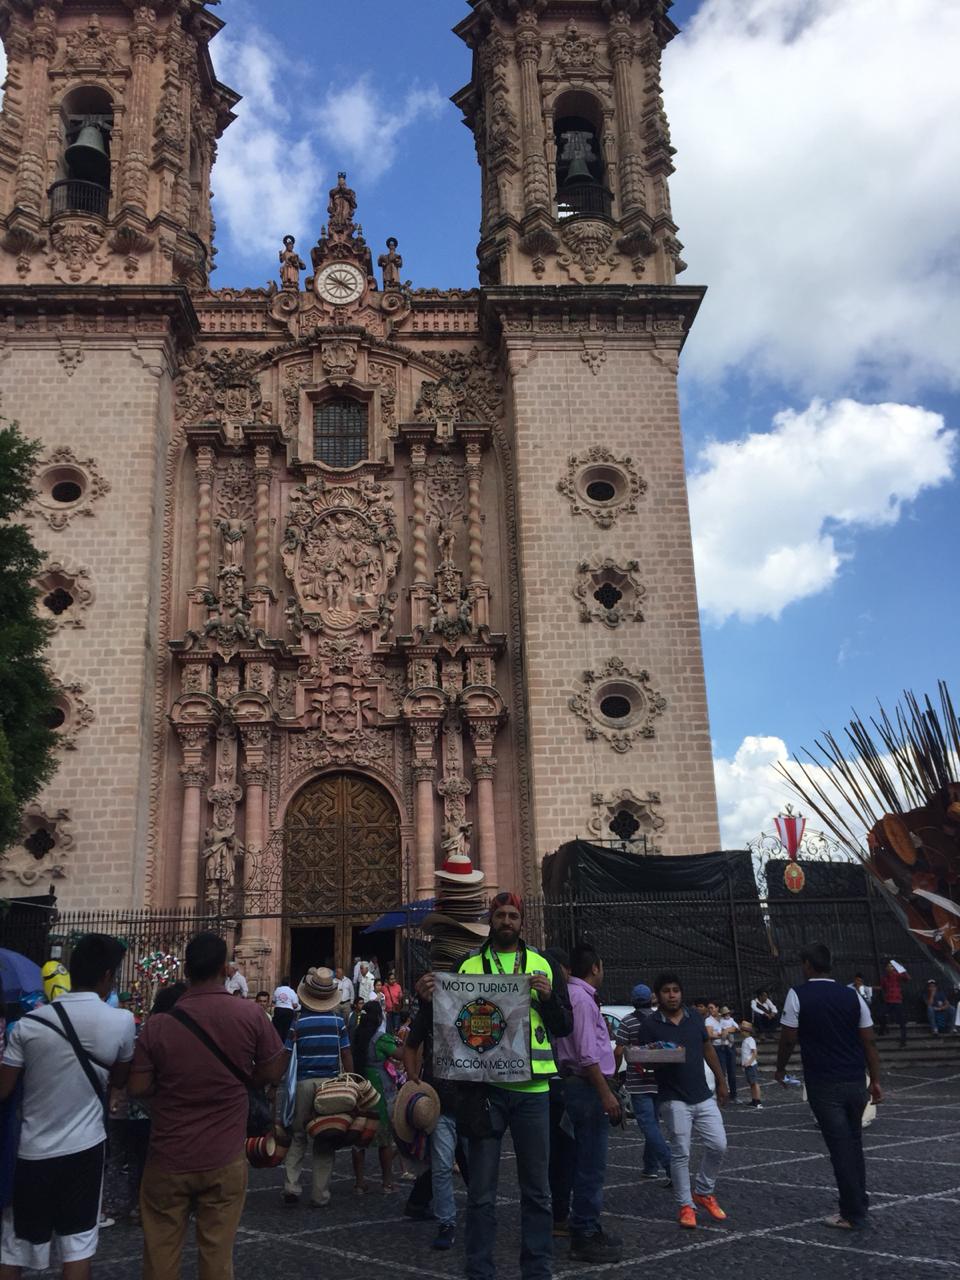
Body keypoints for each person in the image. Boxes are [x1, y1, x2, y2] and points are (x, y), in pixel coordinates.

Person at [130, 934, 285, 1277]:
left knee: (159, 1256)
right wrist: (246, 1080)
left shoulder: (158, 1025)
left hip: (168, 1156)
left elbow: (137, 1086)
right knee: (217, 1256)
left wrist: (170, 1090)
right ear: (226, 969)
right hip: (223, 1156)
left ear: (185, 970)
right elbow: (274, 1070)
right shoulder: (250, 1013)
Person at [0, 934, 135, 1279]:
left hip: (31, 1151)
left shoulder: (28, 1025)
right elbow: (120, 1078)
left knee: (14, 1247)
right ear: (108, 975)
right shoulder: (121, 1021)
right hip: (85, 1149)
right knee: (78, 1246)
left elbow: (3, 1089)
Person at [455, 891, 572, 1280]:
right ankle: (479, 1270)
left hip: (533, 1091)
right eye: (500, 915)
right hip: (485, 1091)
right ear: (491, 919)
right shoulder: (468, 965)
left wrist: (548, 998)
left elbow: (564, 1026)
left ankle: (537, 1270)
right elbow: (450, 1023)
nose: (507, 921)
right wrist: (427, 1000)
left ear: (522, 922)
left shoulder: (543, 964)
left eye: (513, 916)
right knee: (480, 1193)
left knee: (537, 1191)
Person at [776, 942, 882, 1231]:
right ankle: (859, 1202)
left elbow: (788, 1038)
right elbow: (869, 1041)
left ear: (807, 965)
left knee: (840, 1148)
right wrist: (875, 1080)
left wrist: (780, 1068)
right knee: (854, 1143)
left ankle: (852, 1213)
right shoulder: (852, 995)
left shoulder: (797, 994)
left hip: (823, 1081)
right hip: (855, 1079)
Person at [633, 972, 728, 1229]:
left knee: (718, 1144)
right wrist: (658, 1058)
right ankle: (686, 1205)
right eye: (666, 991)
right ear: (657, 996)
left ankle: (704, 1191)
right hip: (672, 1096)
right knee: (681, 1152)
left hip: (702, 1093)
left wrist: (722, 1081)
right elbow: (642, 1059)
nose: (672, 995)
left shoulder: (694, 1017)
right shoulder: (650, 1025)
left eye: (675, 990)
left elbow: (707, 1048)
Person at [552, 942, 623, 1265]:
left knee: (585, 1162)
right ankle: (583, 1233)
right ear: (595, 967)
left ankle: (588, 1227)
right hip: (586, 1087)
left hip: (580, 1086)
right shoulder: (580, 998)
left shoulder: (574, 995)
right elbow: (585, 1053)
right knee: (590, 1165)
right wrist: (606, 1093)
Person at [403, 975, 471, 1250]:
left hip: (470, 1101)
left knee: (476, 1166)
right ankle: (446, 1222)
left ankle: (480, 1214)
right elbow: (411, 1044)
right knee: (442, 1167)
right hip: (439, 1101)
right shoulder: (430, 1010)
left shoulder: (478, 1008)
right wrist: (412, 1079)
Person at [281, 967, 352, 1208]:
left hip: (303, 1083)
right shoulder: (338, 1022)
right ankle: (320, 1193)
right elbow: (346, 1053)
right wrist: (352, 1081)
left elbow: (286, 1053)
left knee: (298, 1135)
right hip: (329, 1086)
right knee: (325, 1137)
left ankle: (291, 1184)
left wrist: (275, 1080)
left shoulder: (298, 1022)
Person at [614, 983, 671, 1183]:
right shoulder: (661, 1019)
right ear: (651, 999)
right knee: (653, 1124)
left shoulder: (628, 1022)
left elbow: (618, 1051)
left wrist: (614, 1073)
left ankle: (670, 1165)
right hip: (660, 1079)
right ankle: (650, 1166)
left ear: (633, 1001)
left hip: (638, 1081)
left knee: (647, 1125)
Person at [351, 1000, 400, 1195]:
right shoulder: (381, 1039)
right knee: (384, 1139)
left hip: (360, 1086)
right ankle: (387, 1182)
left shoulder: (356, 1035)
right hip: (379, 1089)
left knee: (358, 1137)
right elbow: (400, 1054)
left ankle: (359, 1183)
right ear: (379, 1018)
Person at [542, 947, 575, 1240]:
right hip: (557, 1083)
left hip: (546, 1082)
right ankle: (560, 1213)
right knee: (563, 1153)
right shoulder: (570, 996)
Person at [877, 960, 910, 1047]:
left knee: (902, 1022)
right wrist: (869, 988)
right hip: (888, 1001)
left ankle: (903, 1040)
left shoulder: (897, 975)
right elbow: (881, 987)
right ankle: (883, 1028)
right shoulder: (884, 978)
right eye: (889, 966)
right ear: (886, 968)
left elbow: (907, 979)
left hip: (897, 1001)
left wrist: (902, 969)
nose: (890, 967)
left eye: (891, 966)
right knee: (880, 1014)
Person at [738, 1021, 762, 1109]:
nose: (741, 1032)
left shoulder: (750, 1040)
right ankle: (754, 1099)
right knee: (751, 1083)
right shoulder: (746, 1040)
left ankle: (758, 1101)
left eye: (742, 1030)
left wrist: (749, 1062)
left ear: (746, 1032)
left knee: (754, 1083)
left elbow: (754, 1053)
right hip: (747, 1065)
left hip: (751, 1065)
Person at [718, 1007, 739, 1103]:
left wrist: (727, 1030)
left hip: (729, 1045)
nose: (727, 1016)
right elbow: (720, 1030)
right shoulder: (721, 1021)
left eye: (728, 1014)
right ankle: (723, 1094)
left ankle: (733, 1094)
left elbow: (736, 1027)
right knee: (722, 1072)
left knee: (732, 1072)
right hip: (722, 1044)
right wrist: (725, 1031)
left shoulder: (731, 1020)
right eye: (725, 1014)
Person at [271, 977, 300, 1042]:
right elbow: (295, 1005)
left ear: (281, 983)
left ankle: (278, 1043)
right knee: (287, 1029)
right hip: (288, 1012)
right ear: (289, 984)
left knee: (278, 1029)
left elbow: (273, 1001)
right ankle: (285, 1043)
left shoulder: (277, 990)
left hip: (278, 1010)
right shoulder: (292, 991)